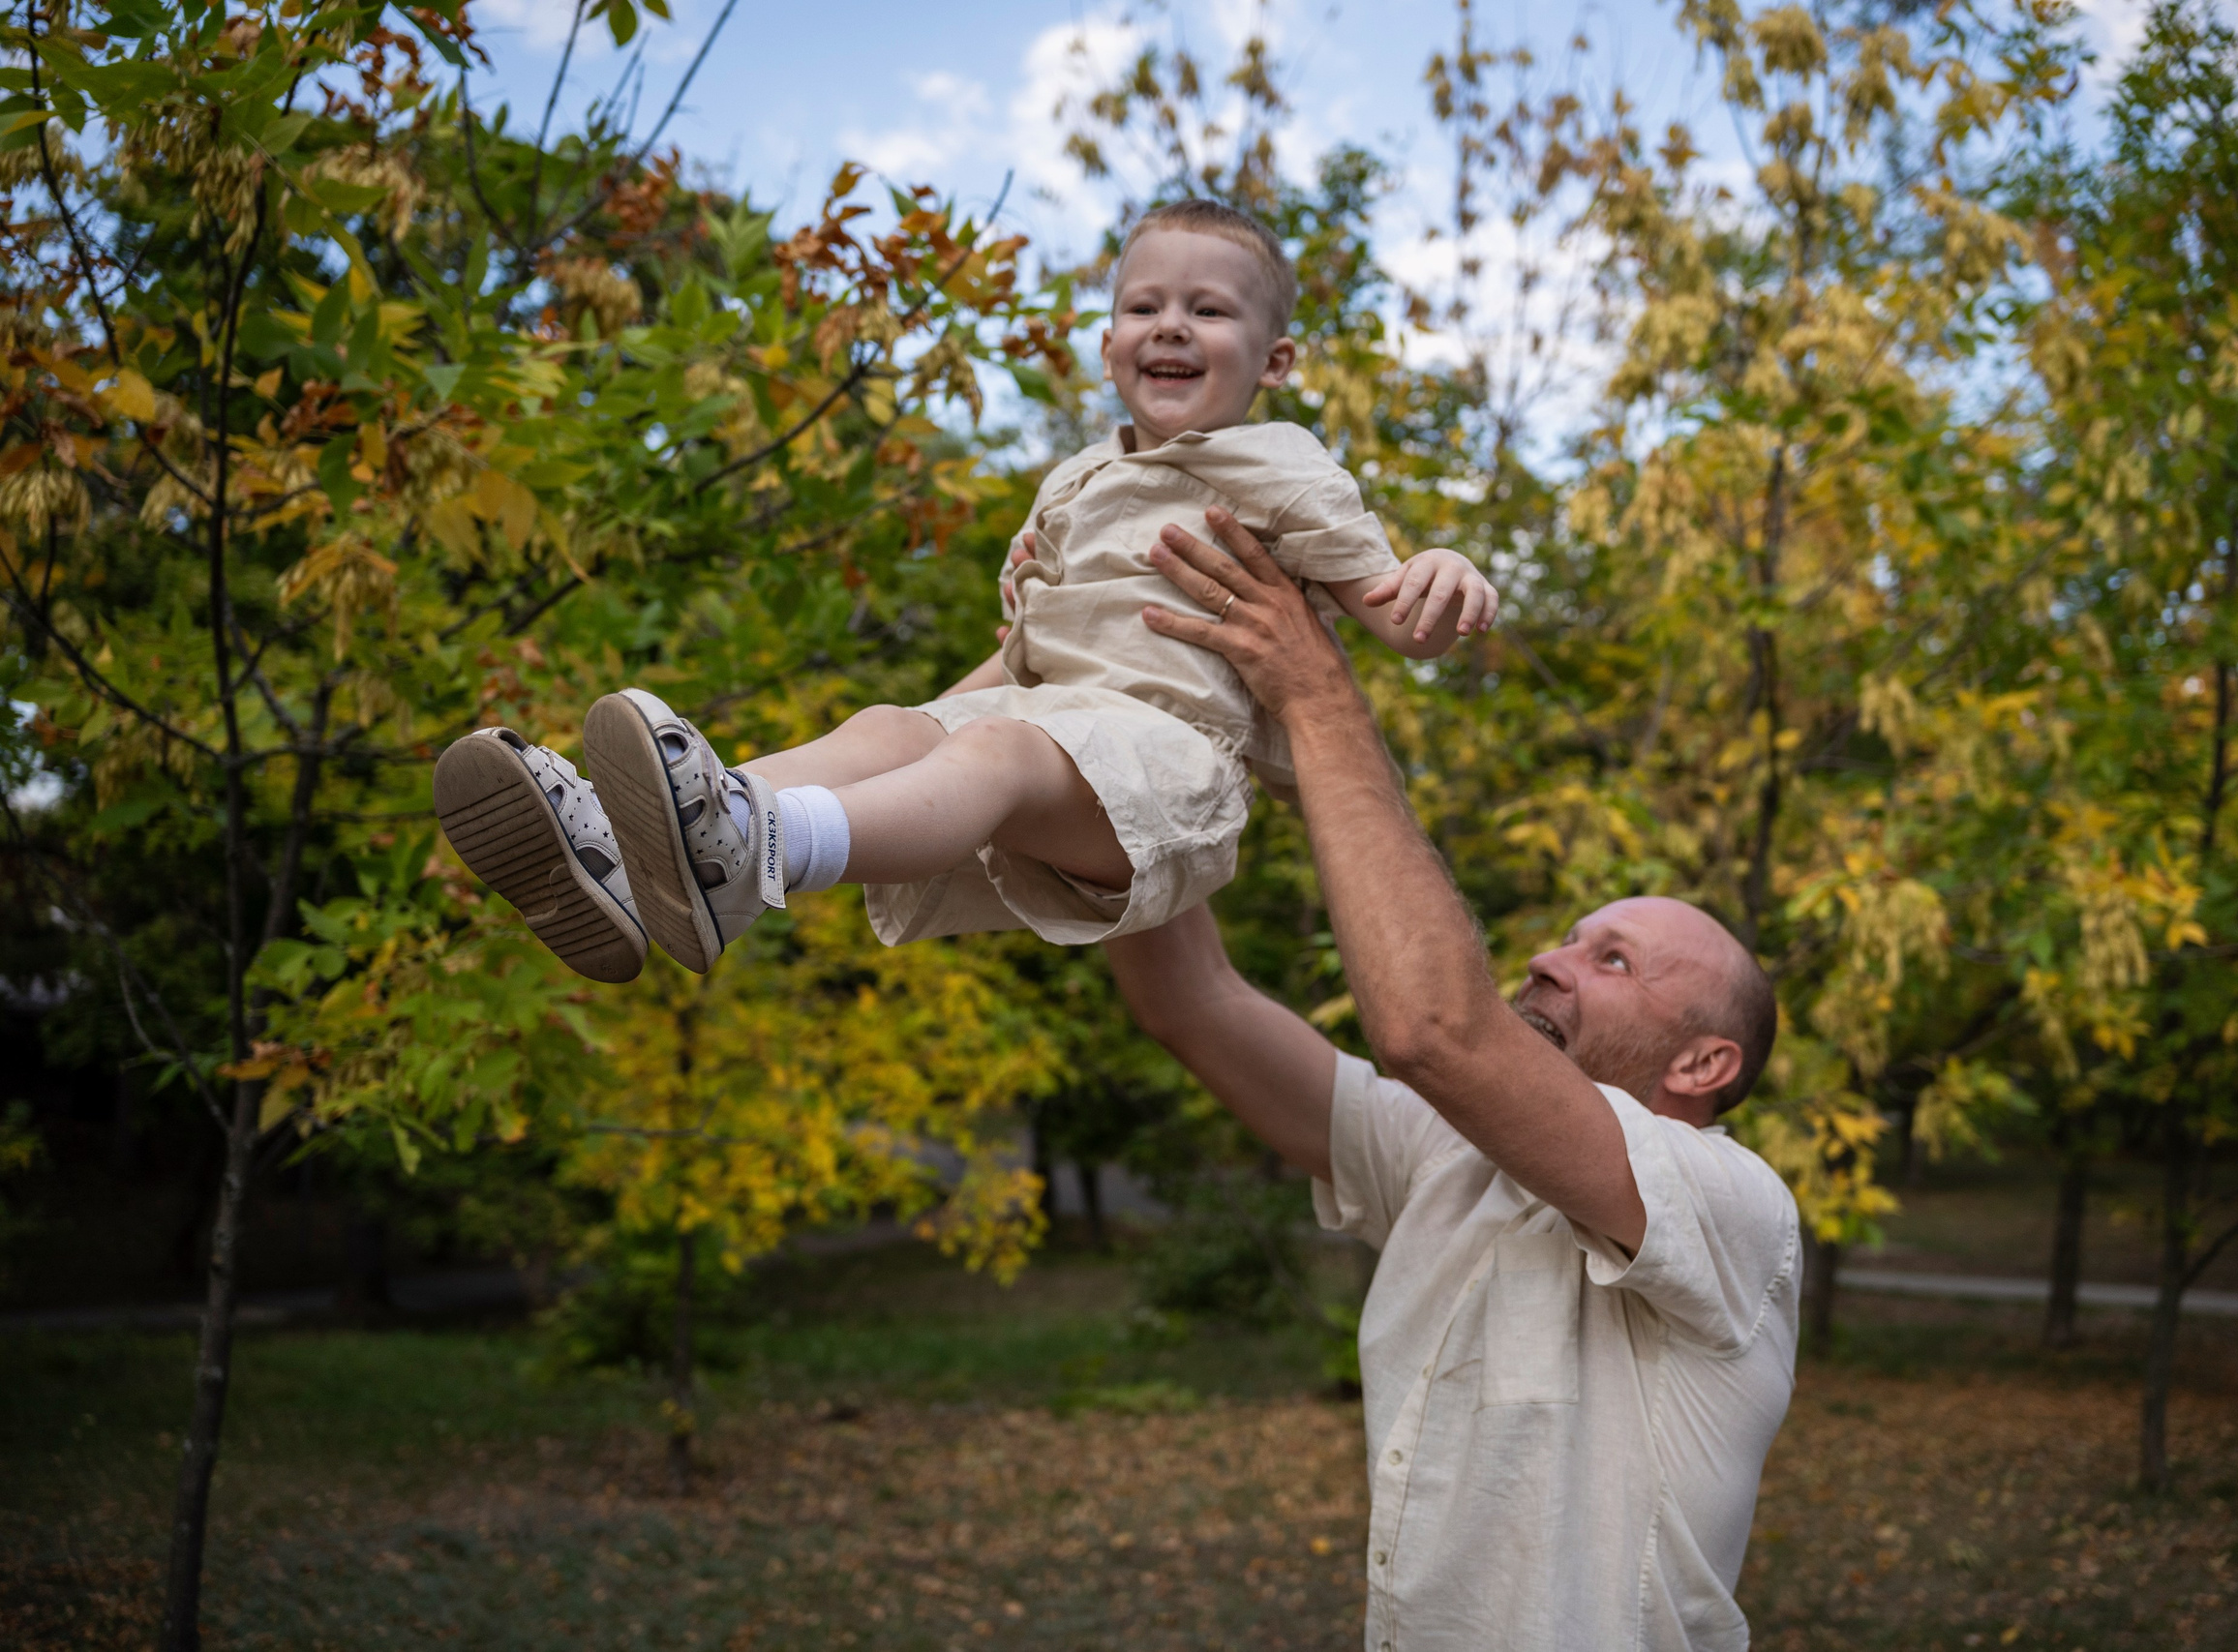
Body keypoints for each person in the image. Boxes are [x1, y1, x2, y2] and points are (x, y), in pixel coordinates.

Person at [429, 199, 1500, 981]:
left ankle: (743, 851)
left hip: (1166, 762)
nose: (1170, 325)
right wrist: (928, 722)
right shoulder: (1077, 480)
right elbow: (1020, 657)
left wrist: (1441, 573)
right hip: (1043, 721)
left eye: (1209, 310)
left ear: (1274, 360)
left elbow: (1394, 616)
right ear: (1108, 343)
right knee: (895, 723)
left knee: (986, 749)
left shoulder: (1280, 463)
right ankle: (632, 849)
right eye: (1144, 305)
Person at [1101, 507, 1802, 1651]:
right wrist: (1111, 726)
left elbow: (1433, 1027)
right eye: (1570, 938)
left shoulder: (1734, 1210)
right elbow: (1192, 1003)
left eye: (1610, 959)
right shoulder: (1444, 1157)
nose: (1546, 959)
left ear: (1702, 1063)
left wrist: (1318, 697)